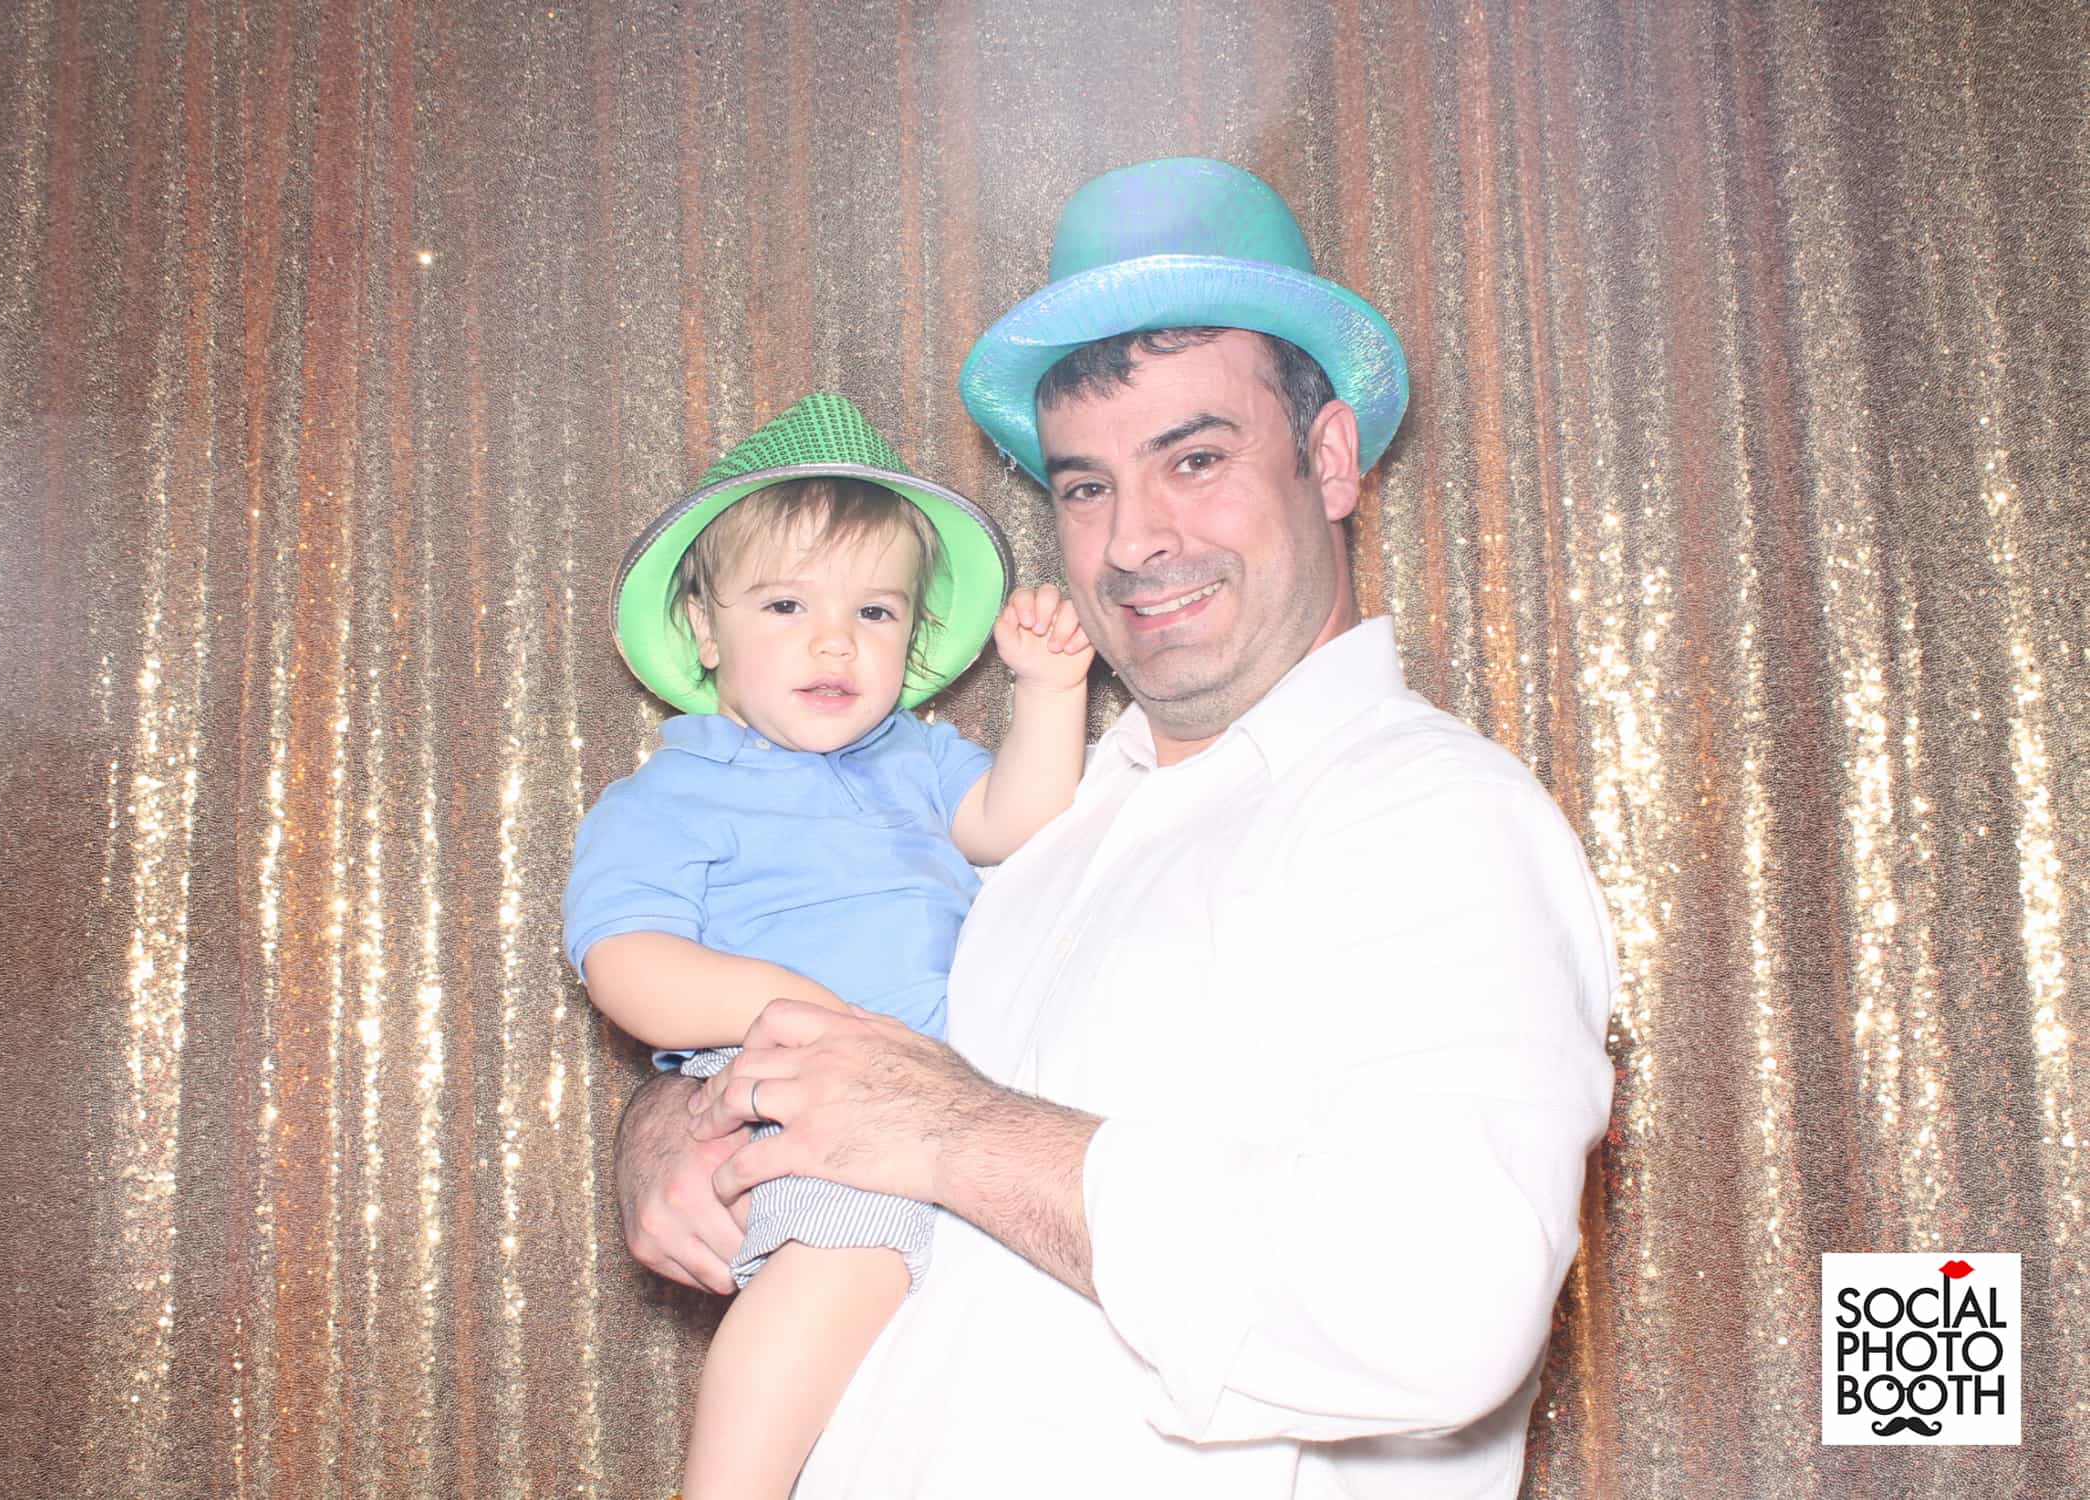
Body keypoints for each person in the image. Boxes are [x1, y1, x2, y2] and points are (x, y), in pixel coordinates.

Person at [618, 158, 1619, 1498]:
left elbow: (1439, 1309)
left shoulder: (1429, 812)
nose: (1135, 539)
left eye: (1194, 460)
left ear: (1329, 459)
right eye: (1085, 487)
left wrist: (956, 1130)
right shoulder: (1050, 825)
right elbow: (860, 1060)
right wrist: (674, 1124)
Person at [565, 390, 1092, 1500]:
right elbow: (626, 964)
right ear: (704, 629)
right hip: (788, 1075)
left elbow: (1019, 824)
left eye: (876, 611)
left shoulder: (919, 759)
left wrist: (1051, 692)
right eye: (786, 603)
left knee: (942, 1307)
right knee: (847, 1248)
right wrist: (791, 1005)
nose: (834, 640)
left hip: (949, 1084)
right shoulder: (672, 792)